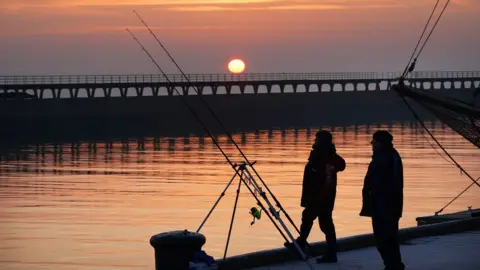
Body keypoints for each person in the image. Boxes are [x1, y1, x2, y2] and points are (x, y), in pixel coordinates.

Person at [292, 130, 346, 263]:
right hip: (315, 195)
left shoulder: (328, 156)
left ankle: (327, 251)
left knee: (322, 222)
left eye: (317, 139)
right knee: (309, 218)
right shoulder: (319, 153)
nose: (315, 140)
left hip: (321, 196)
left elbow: (341, 164)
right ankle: (302, 242)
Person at [360, 130, 405, 270]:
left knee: (384, 239)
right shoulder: (388, 156)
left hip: (385, 206)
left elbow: (382, 183)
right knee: (388, 238)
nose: (372, 144)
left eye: (375, 141)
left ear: (381, 143)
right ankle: (394, 265)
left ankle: (393, 266)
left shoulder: (385, 158)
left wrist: (374, 194)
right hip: (385, 205)